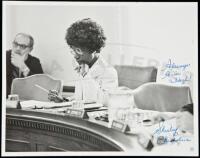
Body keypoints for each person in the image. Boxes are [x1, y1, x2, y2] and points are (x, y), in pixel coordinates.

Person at [48, 18, 118, 105]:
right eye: (73, 50)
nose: (75, 55)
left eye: (78, 50)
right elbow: (77, 98)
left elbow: (106, 103)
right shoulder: (80, 66)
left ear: (92, 49)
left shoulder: (108, 72)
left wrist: (87, 75)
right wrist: (63, 100)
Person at [6, 33, 43, 97]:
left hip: (26, 101)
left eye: (23, 46)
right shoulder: (4, 57)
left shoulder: (35, 62)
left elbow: (40, 87)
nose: (17, 48)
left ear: (30, 49)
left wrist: (23, 67)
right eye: (16, 44)